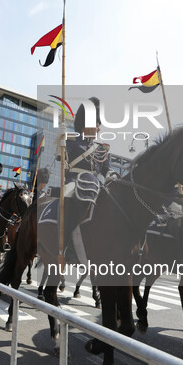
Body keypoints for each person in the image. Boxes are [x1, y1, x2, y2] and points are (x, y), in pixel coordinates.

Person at [59, 97, 116, 255]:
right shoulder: (71, 141)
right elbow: (61, 161)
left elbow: (108, 170)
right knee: (68, 201)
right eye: (97, 125)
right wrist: (60, 144)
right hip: (75, 182)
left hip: (96, 185)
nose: (99, 129)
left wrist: (113, 176)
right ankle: (64, 246)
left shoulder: (101, 148)